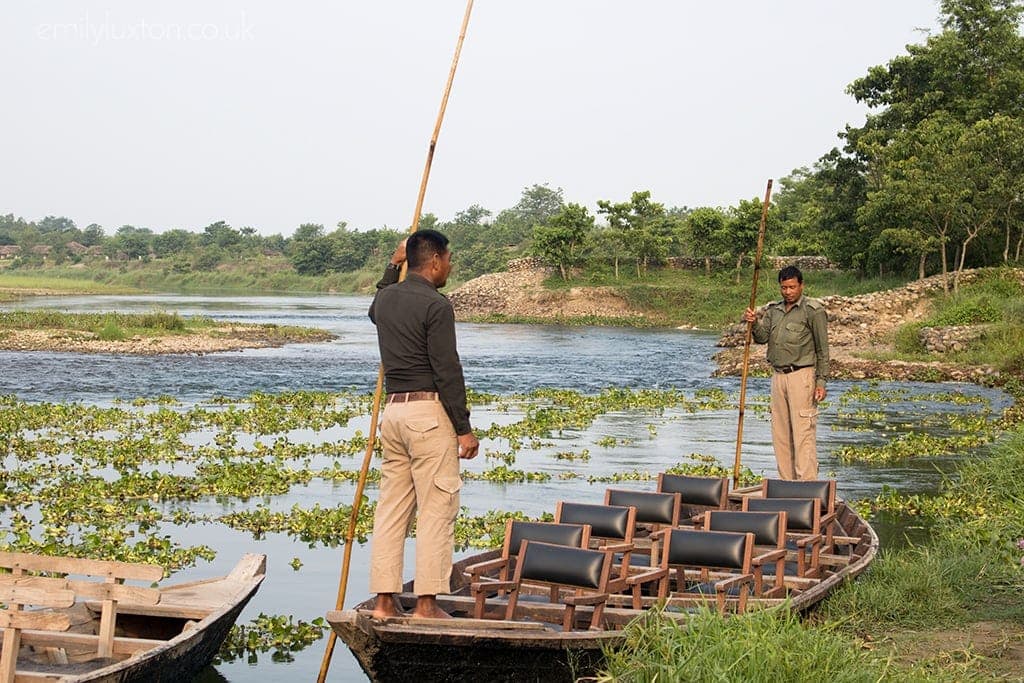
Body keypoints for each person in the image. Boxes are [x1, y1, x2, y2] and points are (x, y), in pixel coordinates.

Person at [366, 229, 479, 620]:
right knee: (436, 509)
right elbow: (447, 370)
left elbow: (372, 309)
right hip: (427, 415)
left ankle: (384, 602)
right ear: (434, 261)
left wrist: (391, 265)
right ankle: (427, 604)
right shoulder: (437, 305)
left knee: (391, 510)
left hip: (393, 415)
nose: (449, 265)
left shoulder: (385, 299)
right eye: (448, 259)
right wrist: (463, 427)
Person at [742, 265, 829, 481]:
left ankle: (807, 487)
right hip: (778, 376)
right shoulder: (774, 310)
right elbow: (762, 338)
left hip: (802, 375)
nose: (788, 292)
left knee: (803, 433)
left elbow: (822, 350)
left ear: (801, 286)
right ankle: (786, 484)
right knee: (781, 433)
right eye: (784, 288)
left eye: (792, 287)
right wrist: (753, 323)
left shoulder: (813, 311)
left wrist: (821, 381)